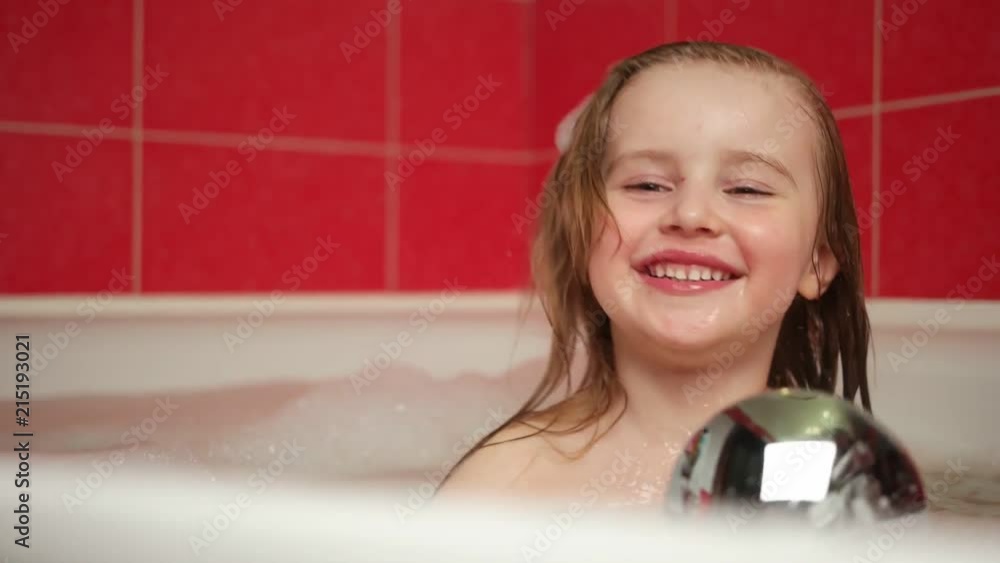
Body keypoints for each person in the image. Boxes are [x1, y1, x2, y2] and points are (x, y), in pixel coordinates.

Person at [435, 41, 871, 509]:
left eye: (747, 189)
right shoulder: (506, 480)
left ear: (817, 262)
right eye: (647, 184)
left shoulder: (833, 482)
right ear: (585, 237)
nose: (690, 213)